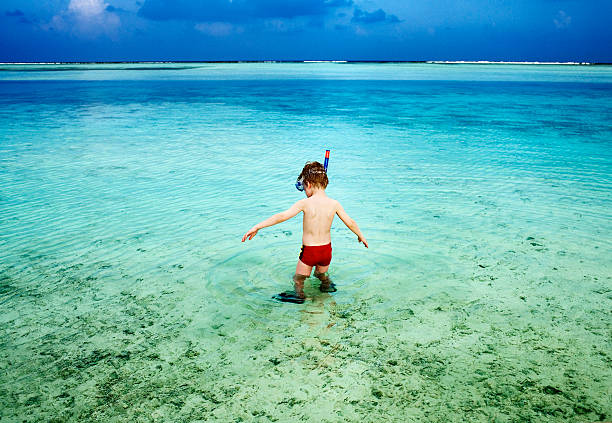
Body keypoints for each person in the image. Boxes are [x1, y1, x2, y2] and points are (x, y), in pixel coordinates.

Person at [241, 161, 368, 304]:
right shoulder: (335, 204)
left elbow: (281, 216)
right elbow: (350, 221)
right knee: (321, 274)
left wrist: (258, 226)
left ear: (308, 184)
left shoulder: (305, 203)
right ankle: (326, 286)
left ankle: (299, 295)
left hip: (310, 252)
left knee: (298, 278)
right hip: (326, 250)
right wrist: (360, 235)